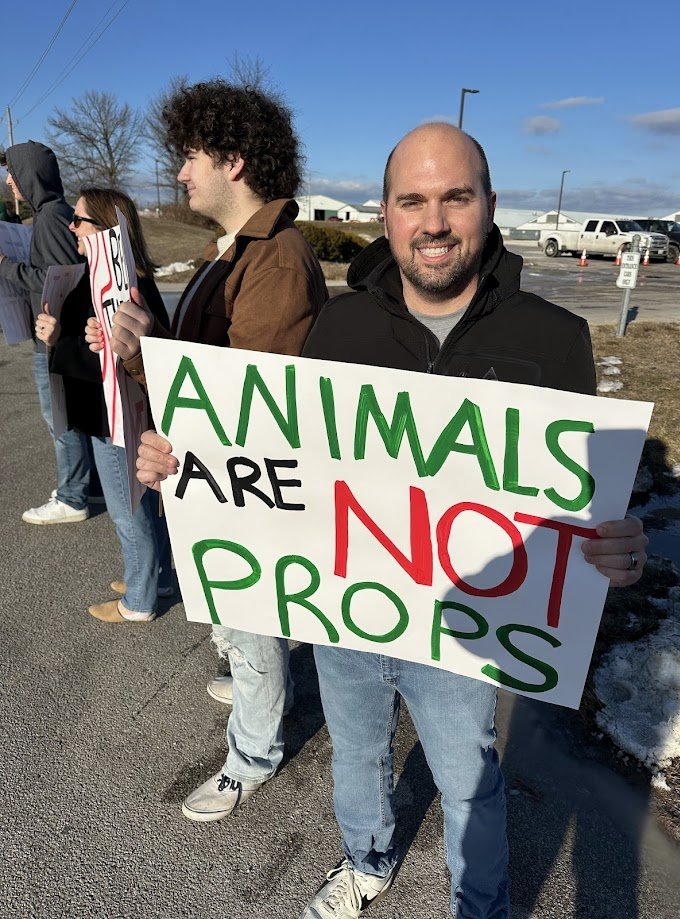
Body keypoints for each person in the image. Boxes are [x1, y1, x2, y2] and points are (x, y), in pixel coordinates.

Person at [136, 122, 649, 918]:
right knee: (358, 752)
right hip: (342, 609)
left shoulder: (554, 339)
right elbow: (278, 458)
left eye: (455, 197)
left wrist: (617, 549)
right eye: (412, 201)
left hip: (467, 630)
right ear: (385, 212)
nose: (433, 221)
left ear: (487, 204)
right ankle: (367, 858)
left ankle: (480, 903)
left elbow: (577, 504)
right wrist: (189, 467)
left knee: (468, 777)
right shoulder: (338, 329)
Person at [85, 80, 328, 819]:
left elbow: (238, 397)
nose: (179, 173)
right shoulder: (231, 250)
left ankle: (250, 753)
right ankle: (257, 685)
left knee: (251, 614)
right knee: (237, 617)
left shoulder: (276, 259)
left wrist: (150, 355)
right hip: (211, 474)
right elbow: (195, 369)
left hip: (242, 488)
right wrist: (134, 351)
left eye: (189, 156)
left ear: (233, 158)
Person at [35, 187, 173, 622]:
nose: (72, 227)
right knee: (142, 505)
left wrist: (59, 341)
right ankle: (156, 576)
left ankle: (139, 599)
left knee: (127, 509)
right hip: (107, 414)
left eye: (80, 221)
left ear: (108, 230)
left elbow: (112, 365)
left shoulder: (125, 288)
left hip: (113, 418)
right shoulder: (100, 278)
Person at [0, 142, 93, 524]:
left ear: (30, 175)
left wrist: (6, 266)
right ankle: (82, 486)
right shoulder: (52, 214)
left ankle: (73, 497)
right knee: (65, 414)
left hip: (53, 339)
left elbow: (57, 279)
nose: (8, 181)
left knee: (60, 417)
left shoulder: (52, 217)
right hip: (54, 335)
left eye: (14, 172)